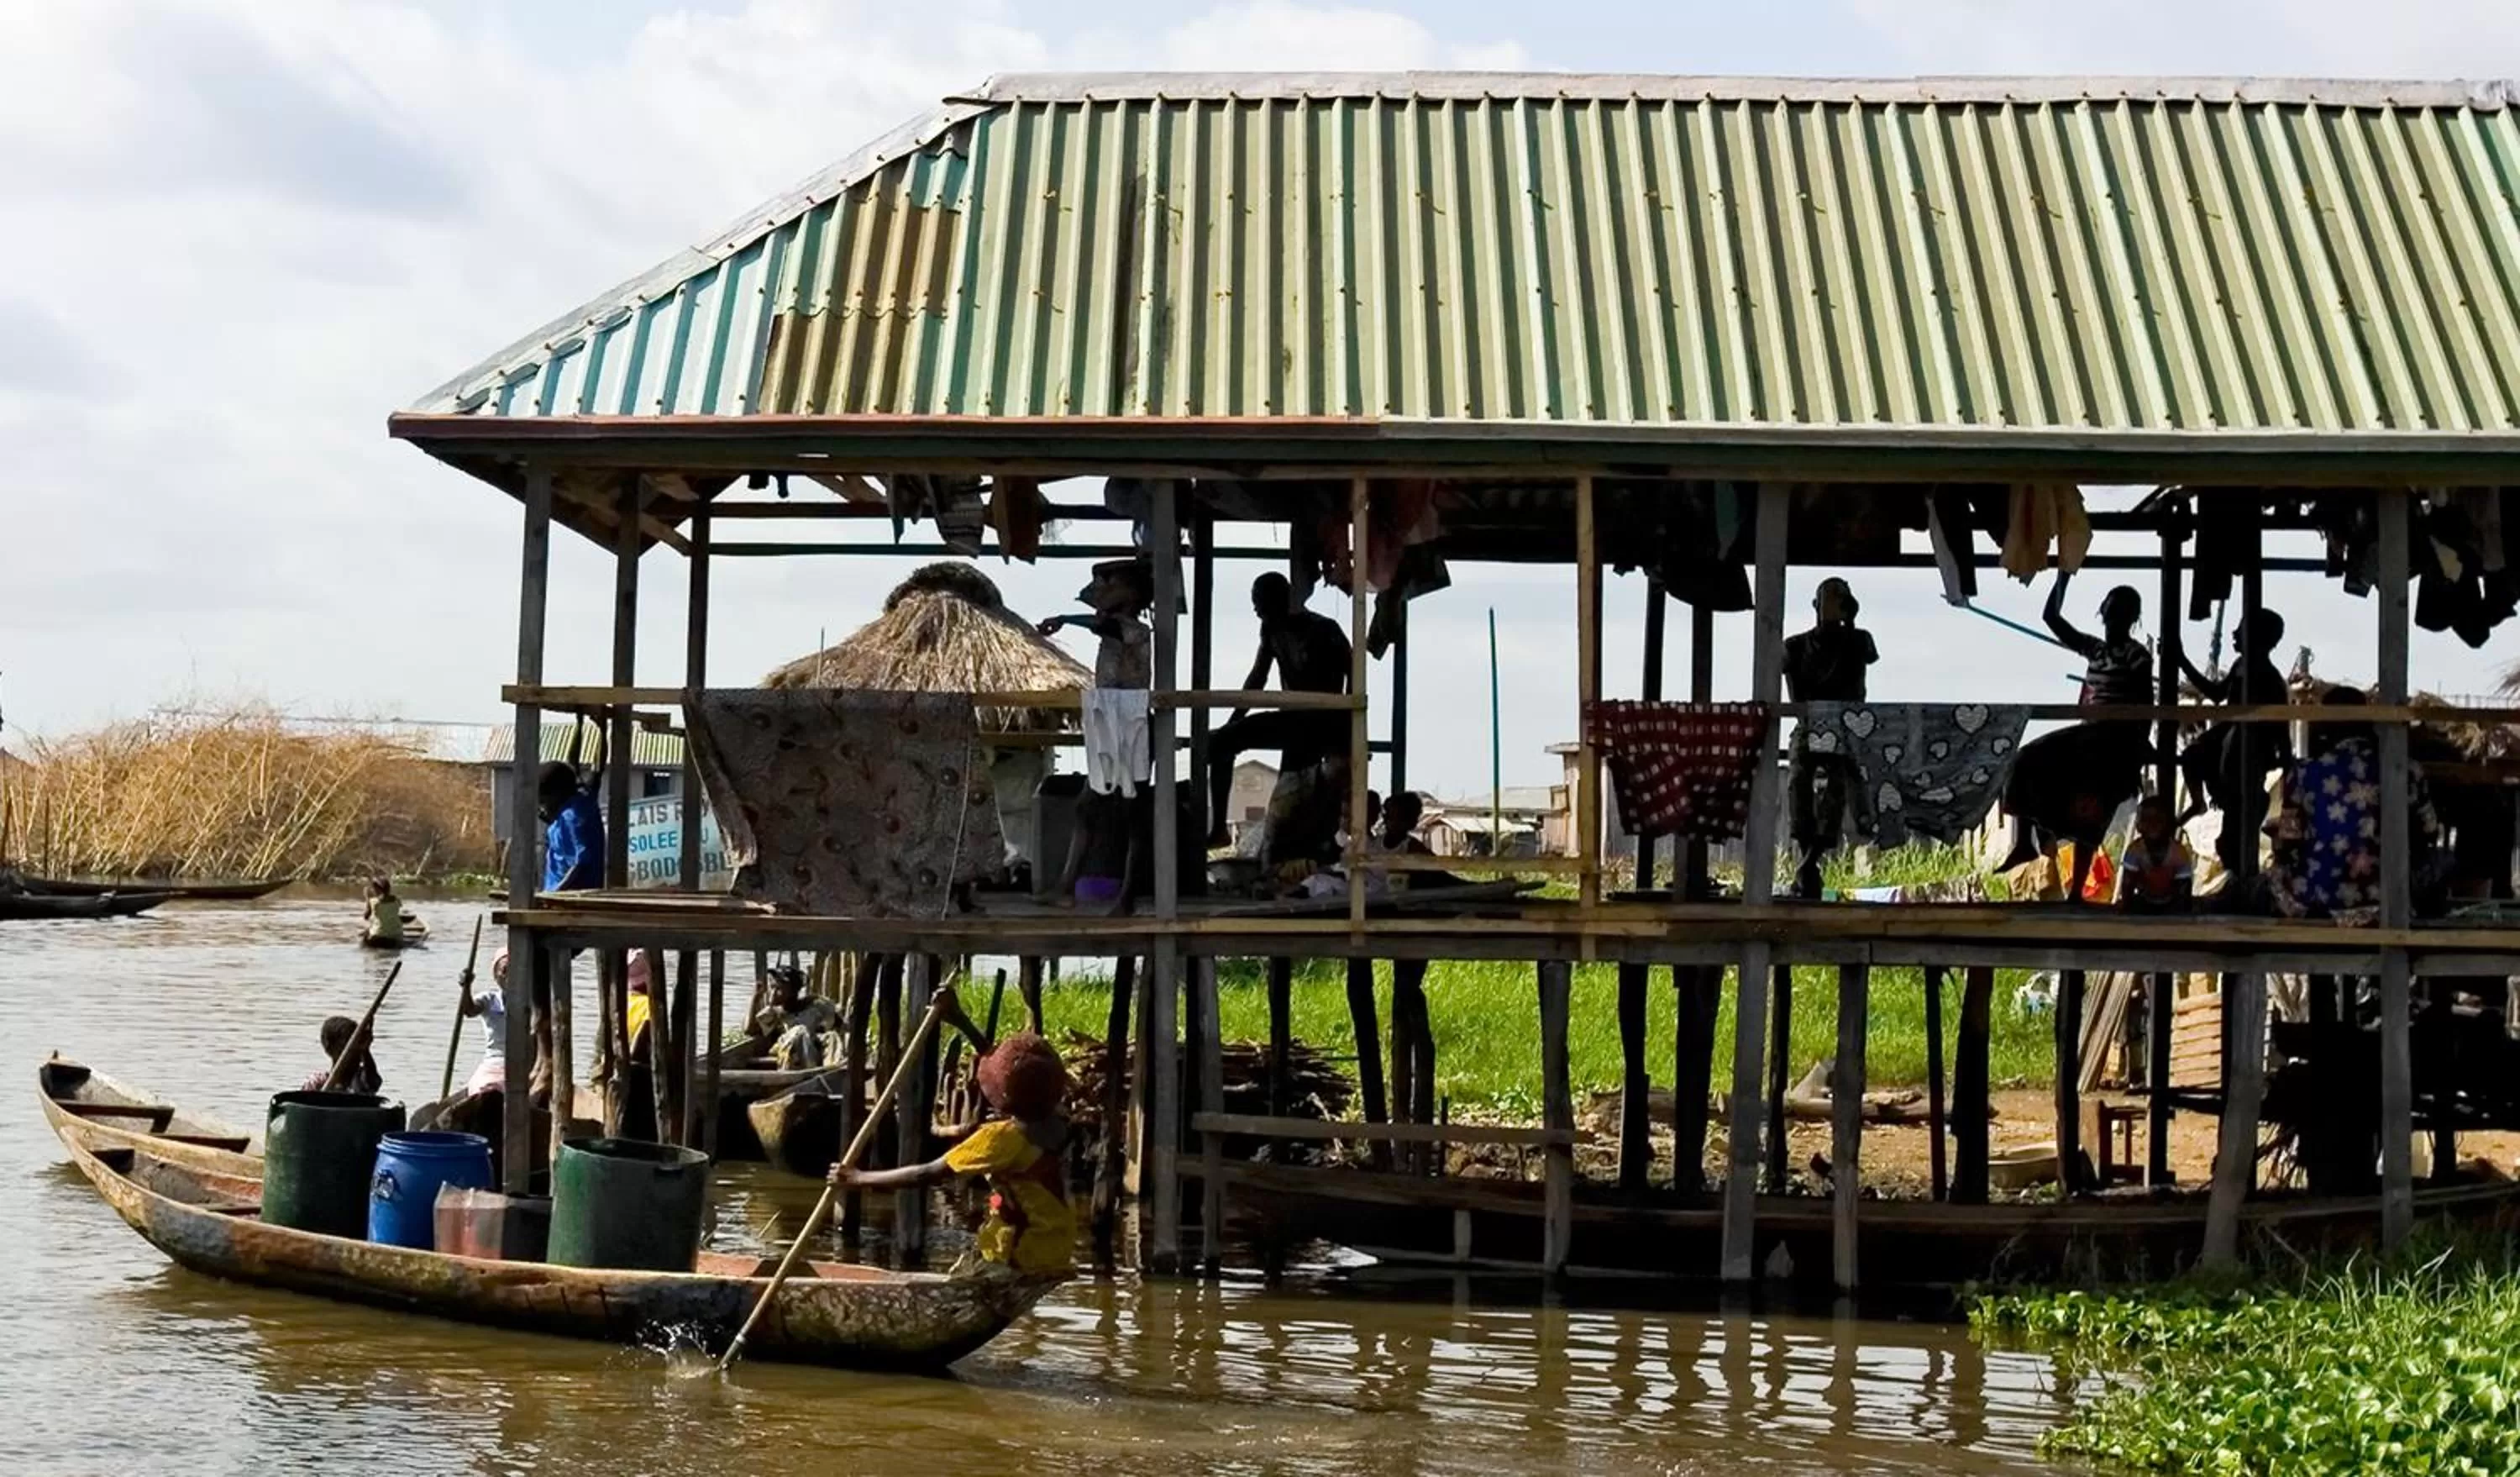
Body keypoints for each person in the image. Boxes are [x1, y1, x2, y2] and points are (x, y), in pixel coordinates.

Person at [830, 991, 1074, 1278]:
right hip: (1056, 1245)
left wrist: (859, 1178)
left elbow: (928, 1173)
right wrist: (959, 1019)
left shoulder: (1001, 1139)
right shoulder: (1059, 1118)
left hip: (1022, 1254)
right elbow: (1010, 1071)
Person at [2268, 686, 2444, 920]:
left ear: (2326, 728)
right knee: (2442, 861)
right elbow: (2428, 834)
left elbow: (2289, 843)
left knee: (2271, 877)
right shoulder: (2408, 770)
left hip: (2317, 900)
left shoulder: (2303, 773)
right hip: (2389, 899)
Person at [1206, 572, 1353, 847]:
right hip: (1293, 719)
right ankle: (1219, 830)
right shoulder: (1272, 631)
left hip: (1325, 721)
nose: (1256, 610)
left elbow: (1354, 672)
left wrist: (1348, 724)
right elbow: (1257, 680)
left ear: (1282, 600)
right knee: (1221, 742)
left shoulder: (1324, 629)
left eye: (1260, 603)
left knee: (1302, 795)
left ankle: (1323, 845)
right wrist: (1232, 724)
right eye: (1255, 603)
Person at [2175, 607, 2294, 872]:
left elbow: (2281, 729)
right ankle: (2198, 803)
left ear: (2256, 636)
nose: (2234, 633)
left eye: (2241, 628)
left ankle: (2241, 885)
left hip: (2248, 754)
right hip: (2229, 740)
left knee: (2236, 840)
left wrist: (2286, 767)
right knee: (2192, 754)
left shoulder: (2270, 679)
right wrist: (2181, 660)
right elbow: (2216, 694)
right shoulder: (2241, 666)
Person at [1784, 576, 1879, 898]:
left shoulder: (1858, 641)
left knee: (1838, 780)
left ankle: (1812, 860)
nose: (1831, 604)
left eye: (1839, 598)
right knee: (1798, 775)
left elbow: (1860, 681)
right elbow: (1797, 700)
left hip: (1845, 726)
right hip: (1811, 723)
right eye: (1827, 596)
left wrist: (1849, 624)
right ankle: (1806, 855)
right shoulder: (1796, 646)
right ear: (1815, 604)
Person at [751, 964, 838, 1070]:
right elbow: (749, 1029)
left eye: (778, 989)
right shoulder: (774, 1012)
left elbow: (838, 1023)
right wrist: (755, 999)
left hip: (811, 1049)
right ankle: (810, 1073)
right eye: (772, 988)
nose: (773, 993)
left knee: (832, 1036)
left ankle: (831, 1071)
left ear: (793, 991)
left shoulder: (813, 1005)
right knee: (800, 1031)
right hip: (786, 1050)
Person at [2116, 796, 2195, 912]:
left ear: (2168, 824)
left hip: (2171, 904)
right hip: (2143, 902)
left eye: (2158, 820)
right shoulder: (2135, 850)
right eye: (2146, 820)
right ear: (2139, 825)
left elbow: (2184, 892)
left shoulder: (2179, 853)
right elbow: (2127, 886)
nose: (2152, 825)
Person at [538, 762, 605, 893]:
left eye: (543, 801)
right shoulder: (575, 808)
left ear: (556, 794)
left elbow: (581, 863)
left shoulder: (572, 817)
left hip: (567, 899)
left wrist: (556, 894)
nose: (542, 808)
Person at [459, 952, 511, 1095]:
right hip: (494, 1062)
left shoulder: (531, 1000)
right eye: (505, 970)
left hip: (523, 1065)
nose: (509, 976)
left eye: (514, 970)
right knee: (481, 1088)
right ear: (496, 975)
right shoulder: (490, 999)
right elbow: (469, 1010)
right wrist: (466, 987)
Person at [302, 1014, 381, 1095]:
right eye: (349, 1045)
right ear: (331, 1049)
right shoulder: (317, 1082)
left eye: (358, 1044)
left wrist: (365, 1050)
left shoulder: (360, 1080)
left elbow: (373, 1083)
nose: (356, 1050)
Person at [362, 876, 405, 946]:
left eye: (373, 889)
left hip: (378, 935)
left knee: (366, 934)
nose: (372, 890)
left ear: (378, 889)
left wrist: (367, 898)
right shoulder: (397, 900)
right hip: (395, 935)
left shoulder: (373, 902)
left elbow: (366, 917)